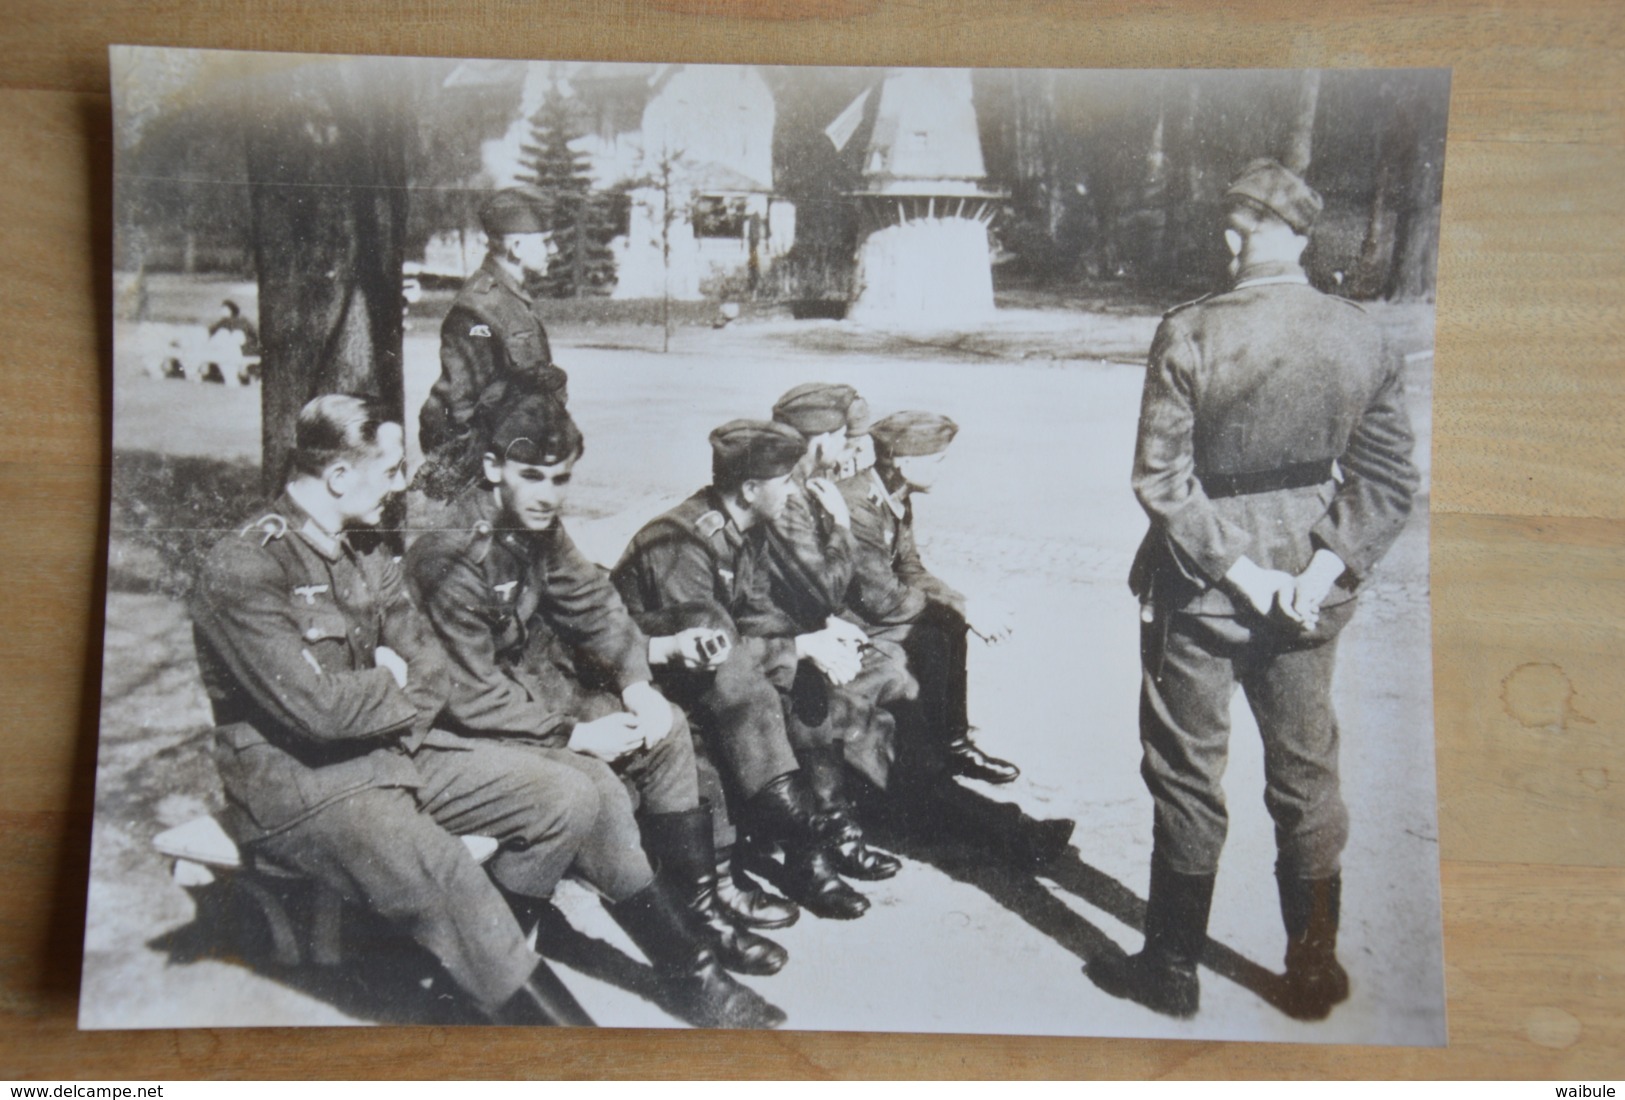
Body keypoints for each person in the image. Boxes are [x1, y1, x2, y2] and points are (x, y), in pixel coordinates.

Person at [191, 394, 782, 1030]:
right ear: (339, 476)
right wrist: (396, 686)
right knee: (445, 876)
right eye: (391, 471)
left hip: (394, 753)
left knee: (570, 795)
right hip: (302, 786)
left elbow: (429, 670)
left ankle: (672, 971)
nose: (400, 488)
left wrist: (393, 686)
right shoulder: (246, 565)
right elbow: (318, 714)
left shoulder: (365, 550)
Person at [1086, 158, 1418, 1021]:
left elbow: (1160, 480)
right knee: (1306, 772)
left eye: (1239, 226)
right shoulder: (1363, 332)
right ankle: (1310, 974)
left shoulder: (1190, 328)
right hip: (1310, 590)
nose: (1230, 240)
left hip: (1200, 586)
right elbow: (1384, 479)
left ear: (1258, 232)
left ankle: (1168, 972)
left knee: (1186, 773)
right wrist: (1321, 567)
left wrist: (1240, 572)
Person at [405, 391, 787, 977]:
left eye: (560, 478)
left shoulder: (535, 527)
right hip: (469, 724)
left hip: (523, 695)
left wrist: (635, 683)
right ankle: (663, 942)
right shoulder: (450, 551)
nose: (548, 494)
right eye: (531, 476)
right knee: (595, 784)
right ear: (490, 468)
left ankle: (699, 910)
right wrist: (573, 735)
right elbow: (467, 691)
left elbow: (594, 605)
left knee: (665, 730)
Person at [613, 419, 873, 921]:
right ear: (751, 489)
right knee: (728, 713)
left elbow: (755, 612)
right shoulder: (681, 542)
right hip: (650, 670)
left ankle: (808, 855)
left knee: (807, 683)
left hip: (715, 666)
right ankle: (731, 867)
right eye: (785, 482)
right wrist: (792, 648)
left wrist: (815, 636)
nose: (792, 491)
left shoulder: (745, 528)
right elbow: (710, 654)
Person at [838, 411, 1075, 867]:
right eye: (938, 459)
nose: (944, 468)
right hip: (854, 632)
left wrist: (964, 604)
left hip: (870, 622)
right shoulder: (858, 505)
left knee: (945, 627)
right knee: (927, 653)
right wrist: (962, 608)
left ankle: (952, 744)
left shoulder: (896, 496)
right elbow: (880, 596)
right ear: (903, 461)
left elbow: (909, 569)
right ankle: (1010, 829)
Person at [762, 382, 917, 882]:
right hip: (765, 640)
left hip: (788, 627)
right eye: (843, 441)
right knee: (822, 695)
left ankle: (867, 813)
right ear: (821, 440)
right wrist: (842, 525)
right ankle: (835, 832)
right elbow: (820, 591)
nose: (850, 453)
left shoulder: (799, 485)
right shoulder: (787, 496)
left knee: (888, 667)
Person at [416, 187, 569, 500]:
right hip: (492, 482)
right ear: (515, 247)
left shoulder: (510, 300)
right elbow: (458, 408)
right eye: (546, 241)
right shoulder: (479, 307)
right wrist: (485, 484)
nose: (555, 250)